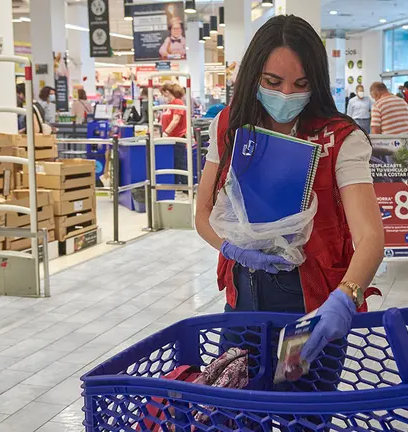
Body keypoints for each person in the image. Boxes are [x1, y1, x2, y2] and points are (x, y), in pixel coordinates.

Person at [195, 15, 384, 376]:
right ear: (253, 76)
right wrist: (229, 248)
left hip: (311, 306)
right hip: (241, 299)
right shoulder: (230, 126)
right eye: (272, 82)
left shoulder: (341, 139)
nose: (286, 95)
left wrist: (345, 298)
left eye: (301, 83)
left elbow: (371, 237)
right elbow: (202, 214)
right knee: (236, 414)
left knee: (304, 416)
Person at [160, 83, 189, 189]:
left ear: (167, 92)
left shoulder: (178, 103)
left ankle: (186, 187)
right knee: (174, 163)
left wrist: (166, 132)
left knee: (180, 163)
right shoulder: (169, 104)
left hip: (178, 138)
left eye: (163, 94)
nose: (163, 97)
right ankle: (177, 186)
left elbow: (176, 119)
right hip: (170, 139)